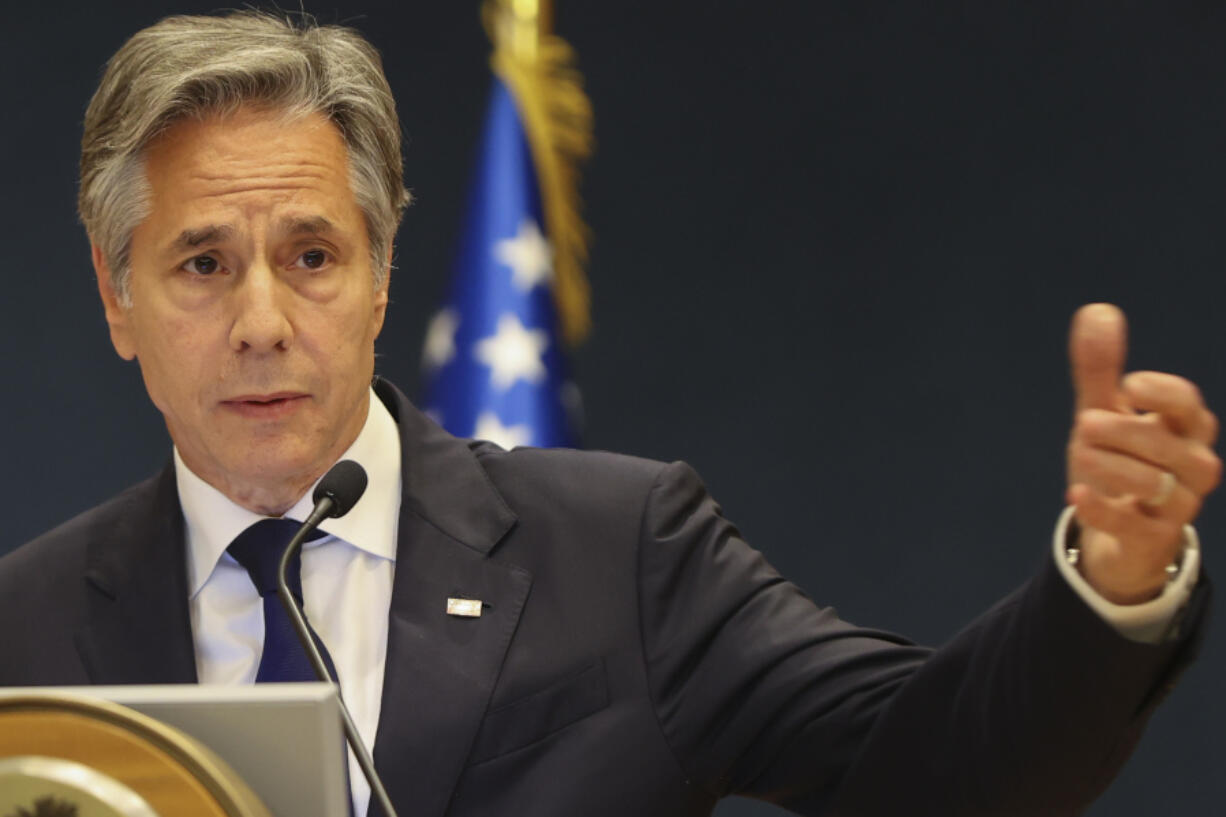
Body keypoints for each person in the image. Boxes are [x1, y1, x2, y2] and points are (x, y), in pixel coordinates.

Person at [0, 11, 1217, 817]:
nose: (262, 317)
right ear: (117, 297)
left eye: (310, 255)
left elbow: (937, 770)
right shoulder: (26, 629)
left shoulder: (620, 554)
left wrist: (1108, 588)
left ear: (379, 277)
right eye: (203, 265)